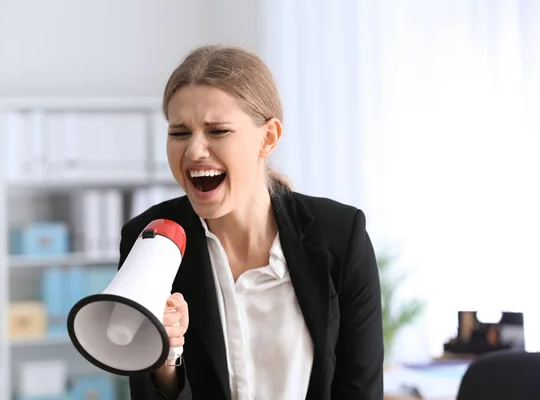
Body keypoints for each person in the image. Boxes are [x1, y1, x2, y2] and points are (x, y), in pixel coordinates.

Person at [118, 44, 384, 400]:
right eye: (179, 133)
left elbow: (360, 387)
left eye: (217, 131)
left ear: (268, 138)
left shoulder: (339, 235)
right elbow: (148, 394)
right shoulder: (149, 239)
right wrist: (165, 359)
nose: (194, 151)